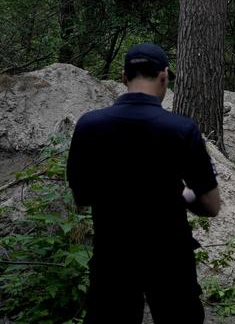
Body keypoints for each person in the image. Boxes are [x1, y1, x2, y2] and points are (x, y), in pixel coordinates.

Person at [67, 43, 222, 324]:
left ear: (124, 77)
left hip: (112, 259)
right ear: (164, 76)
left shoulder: (89, 126)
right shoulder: (182, 129)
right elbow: (211, 205)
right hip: (170, 260)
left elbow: (82, 197)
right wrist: (183, 196)